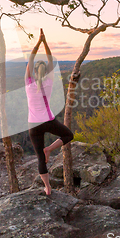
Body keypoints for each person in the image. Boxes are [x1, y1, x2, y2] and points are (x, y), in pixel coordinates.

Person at [25, 28, 73, 195]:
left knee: (40, 158)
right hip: (48, 120)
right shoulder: (49, 82)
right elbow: (51, 59)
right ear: (45, 72)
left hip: (33, 124)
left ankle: (47, 187)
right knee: (68, 135)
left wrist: (37, 43)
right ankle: (50, 149)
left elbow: (30, 60)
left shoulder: (28, 83)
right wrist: (45, 42)